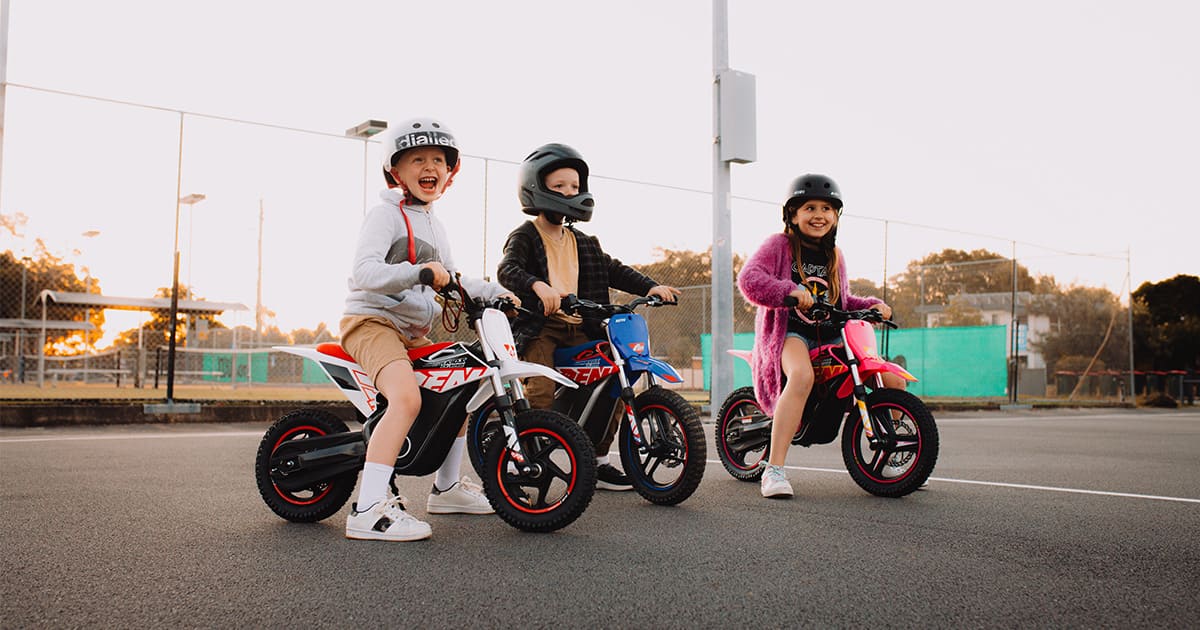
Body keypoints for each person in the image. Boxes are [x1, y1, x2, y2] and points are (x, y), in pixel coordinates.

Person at [340, 117, 519, 541]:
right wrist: (418, 272)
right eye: (417, 158)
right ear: (395, 171)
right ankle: (366, 509)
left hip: (413, 331)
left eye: (438, 159)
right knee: (406, 399)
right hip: (372, 322)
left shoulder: (434, 223)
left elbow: (452, 277)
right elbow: (365, 272)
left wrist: (500, 293)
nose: (429, 166)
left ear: (449, 172)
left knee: (461, 392)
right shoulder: (384, 215)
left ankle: (448, 488)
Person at [497, 143, 681, 490]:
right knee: (539, 388)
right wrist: (537, 286)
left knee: (616, 376)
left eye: (574, 186)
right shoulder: (525, 235)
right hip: (541, 328)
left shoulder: (584, 242)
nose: (569, 192)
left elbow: (615, 270)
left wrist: (651, 286)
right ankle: (522, 460)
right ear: (536, 187)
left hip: (582, 326)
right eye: (560, 186)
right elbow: (508, 269)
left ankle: (597, 461)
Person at [737, 173, 899, 499]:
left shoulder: (834, 256)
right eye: (809, 207)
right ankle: (774, 469)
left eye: (827, 208)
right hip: (791, 333)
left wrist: (873, 306)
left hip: (829, 336)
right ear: (792, 215)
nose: (819, 215)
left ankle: (893, 457)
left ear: (837, 216)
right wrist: (790, 291)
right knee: (800, 377)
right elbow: (749, 279)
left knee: (892, 382)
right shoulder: (779, 246)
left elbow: (843, 301)